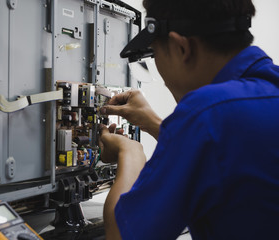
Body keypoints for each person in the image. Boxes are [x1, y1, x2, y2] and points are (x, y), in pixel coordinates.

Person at [98, 0, 279, 239]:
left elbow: (122, 235)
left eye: (155, 55)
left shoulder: (206, 114)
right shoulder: (261, 93)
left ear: (181, 47)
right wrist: (153, 122)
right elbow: (228, 152)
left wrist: (130, 152)